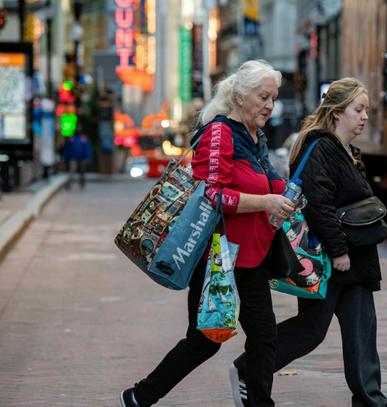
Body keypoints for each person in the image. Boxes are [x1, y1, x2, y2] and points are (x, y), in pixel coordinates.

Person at [119, 60, 295, 407]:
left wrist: (289, 196)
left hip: (253, 257)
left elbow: (267, 182)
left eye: (273, 98)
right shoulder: (219, 133)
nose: (270, 106)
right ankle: (138, 397)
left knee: (264, 337)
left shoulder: (255, 136)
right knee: (203, 341)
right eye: (263, 97)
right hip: (217, 257)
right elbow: (212, 195)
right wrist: (265, 202)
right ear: (240, 96)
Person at [231, 78, 387, 407]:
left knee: (362, 333)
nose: (364, 117)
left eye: (366, 110)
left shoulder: (348, 152)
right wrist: (339, 251)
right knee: (310, 330)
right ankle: (249, 368)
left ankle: (371, 400)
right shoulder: (320, 148)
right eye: (358, 110)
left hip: (357, 259)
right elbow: (318, 204)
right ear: (337, 112)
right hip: (330, 259)